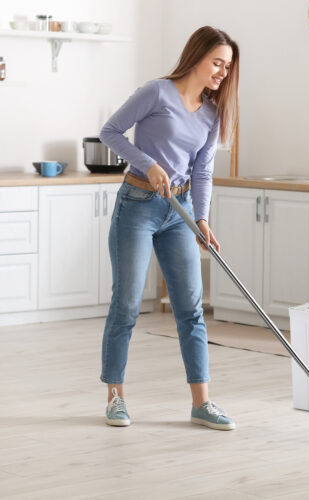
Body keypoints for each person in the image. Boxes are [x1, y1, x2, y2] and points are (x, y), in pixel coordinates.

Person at [98, 26, 239, 430]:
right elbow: (110, 132)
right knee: (126, 305)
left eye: (227, 67)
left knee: (191, 308)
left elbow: (203, 171)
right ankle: (115, 397)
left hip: (179, 212)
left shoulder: (212, 113)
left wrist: (202, 218)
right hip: (138, 205)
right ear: (196, 56)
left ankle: (201, 403)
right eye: (217, 62)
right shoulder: (156, 92)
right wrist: (148, 163)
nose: (222, 73)